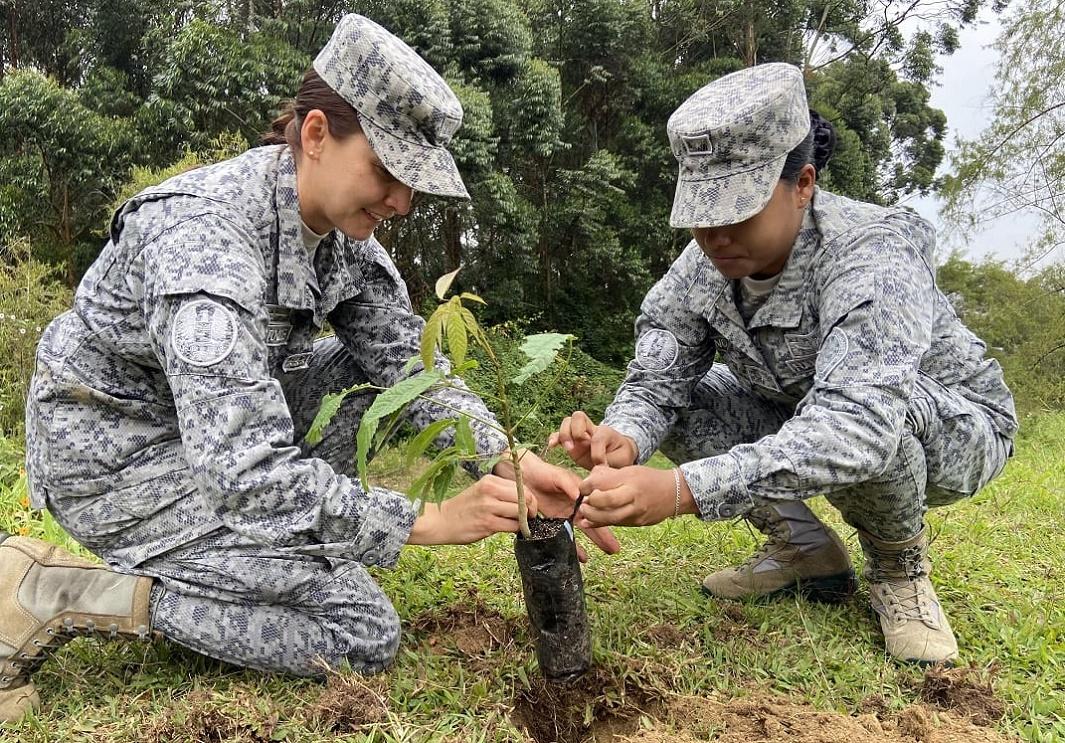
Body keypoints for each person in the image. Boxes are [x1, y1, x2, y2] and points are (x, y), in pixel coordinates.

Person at [3, 14, 616, 721]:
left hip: (204, 433)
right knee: (355, 629)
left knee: (362, 381)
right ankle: (57, 589)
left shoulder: (340, 233)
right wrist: (420, 519)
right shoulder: (203, 238)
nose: (401, 202)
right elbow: (241, 469)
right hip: (116, 457)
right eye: (387, 171)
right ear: (317, 134)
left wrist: (498, 458)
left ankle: (259, 555)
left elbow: (406, 367)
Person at [551, 63, 1017, 666]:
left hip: (954, 428)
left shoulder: (870, 251)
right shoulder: (704, 268)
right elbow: (659, 374)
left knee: (877, 413)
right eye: (702, 212)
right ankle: (804, 550)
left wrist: (685, 489)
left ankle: (900, 569)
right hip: (805, 406)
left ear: (802, 183)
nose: (715, 234)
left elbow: (858, 423)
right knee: (684, 402)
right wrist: (626, 436)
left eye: (737, 211)